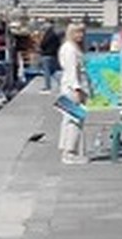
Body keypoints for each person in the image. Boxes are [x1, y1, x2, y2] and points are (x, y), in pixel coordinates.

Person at [57, 21, 91, 164]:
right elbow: (72, 71)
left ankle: (66, 149)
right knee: (74, 121)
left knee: (68, 120)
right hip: (73, 89)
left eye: (82, 32)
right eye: (78, 32)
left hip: (69, 87)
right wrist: (77, 89)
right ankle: (70, 152)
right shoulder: (71, 49)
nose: (81, 35)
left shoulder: (69, 47)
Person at [38, 22, 62, 93]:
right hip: (53, 55)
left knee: (47, 72)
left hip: (46, 54)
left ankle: (47, 87)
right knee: (53, 71)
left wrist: (41, 48)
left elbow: (43, 44)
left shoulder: (48, 35)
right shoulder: (55, 36)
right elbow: (58, 45)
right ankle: (61, 82)